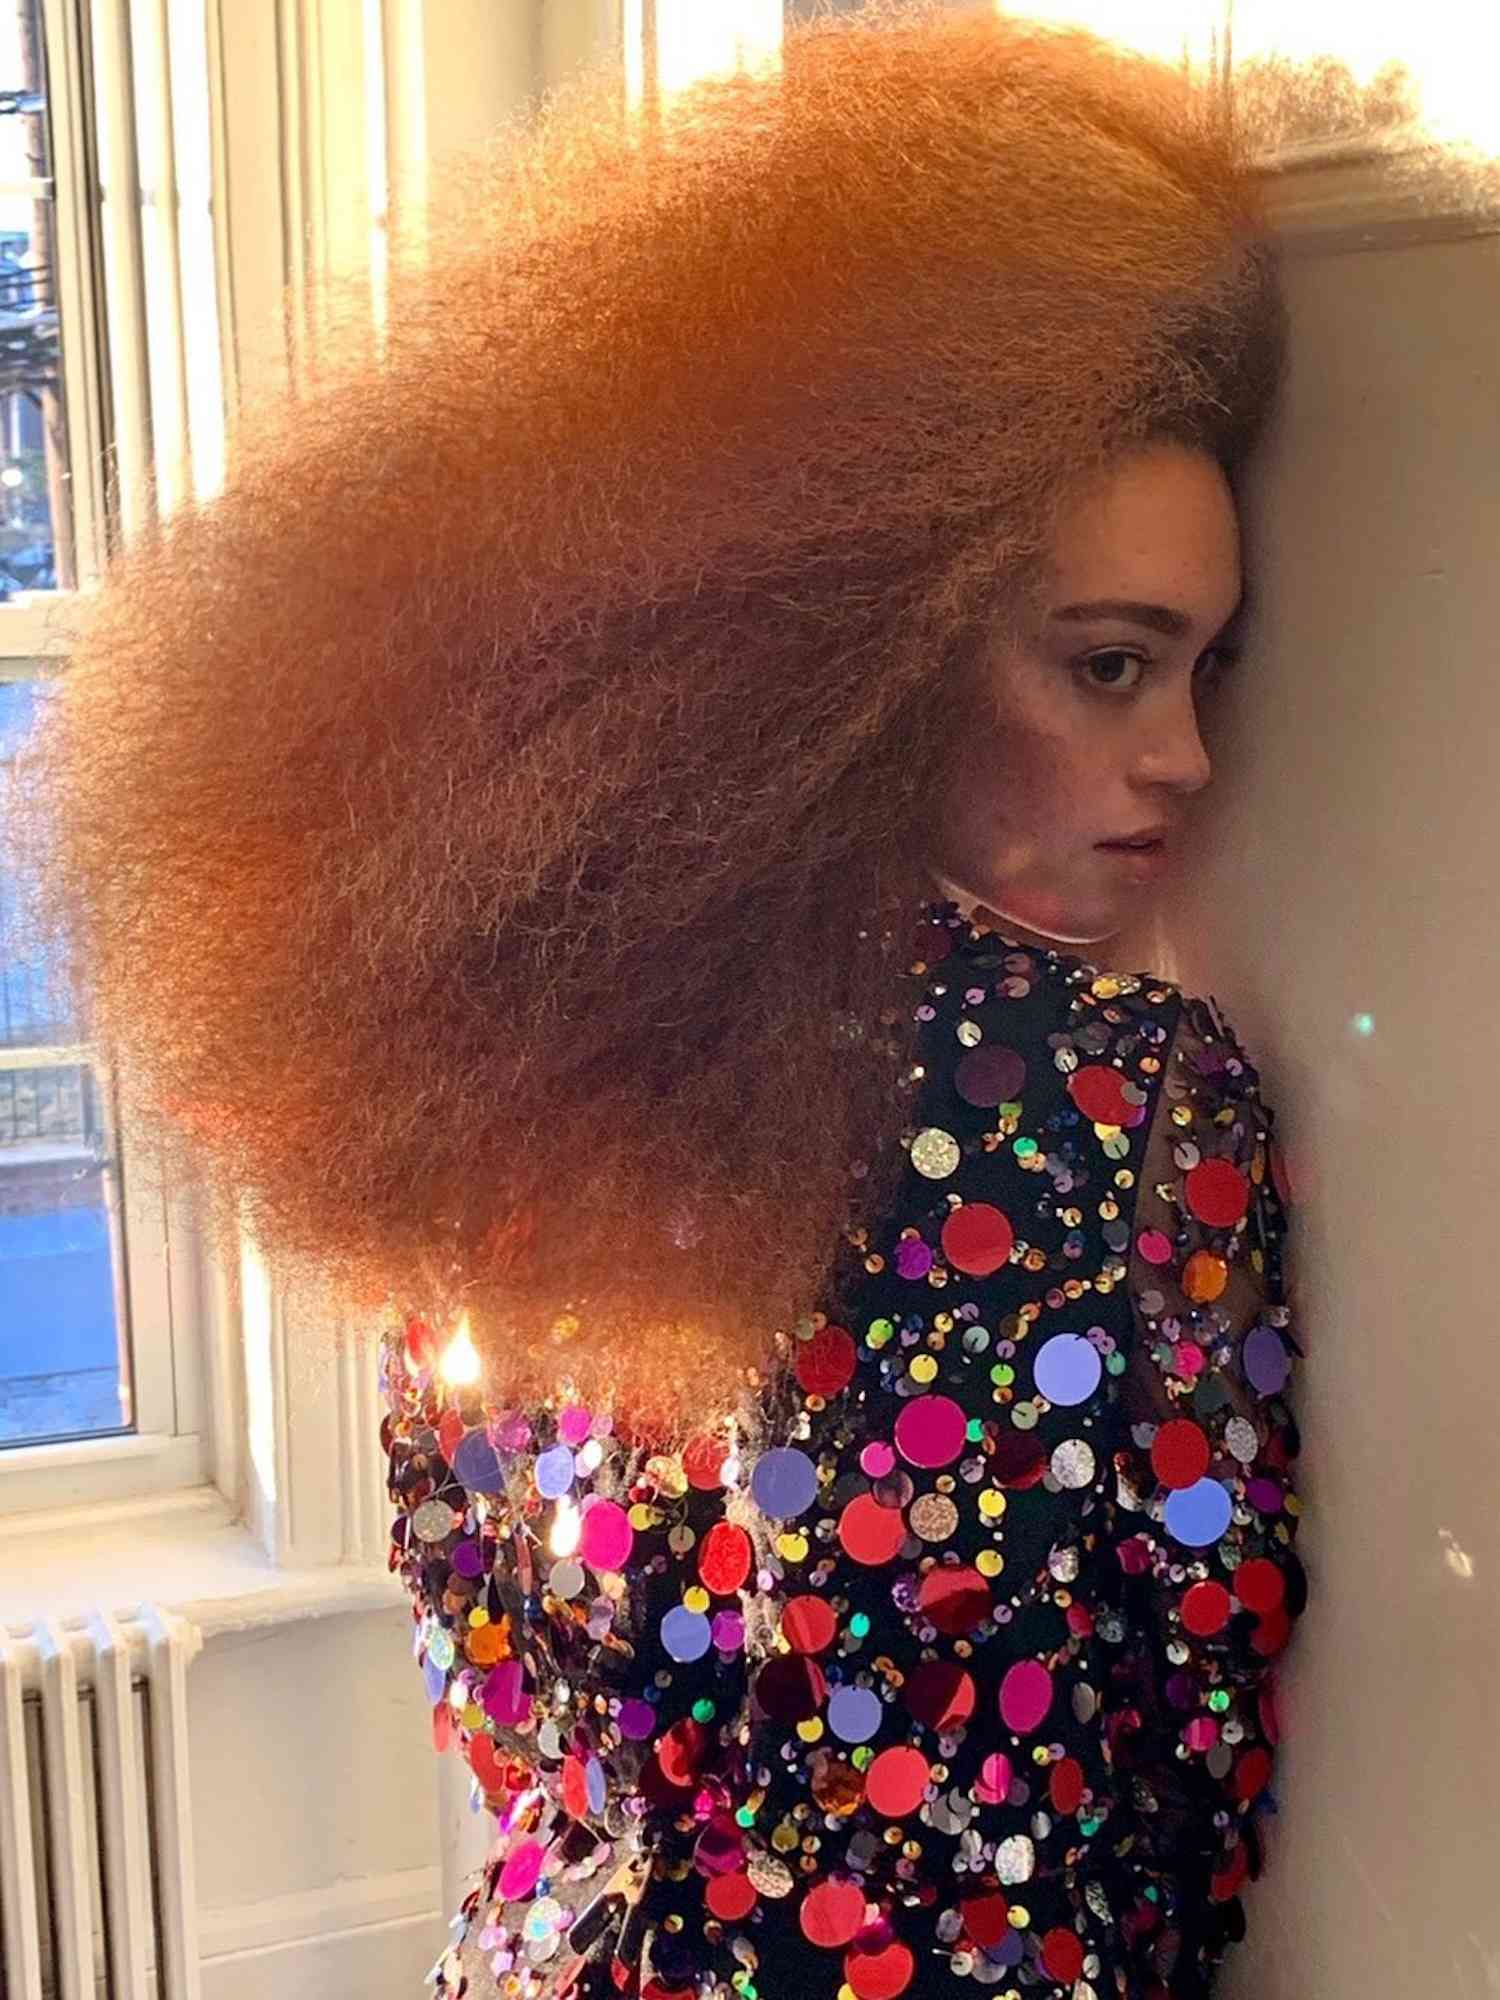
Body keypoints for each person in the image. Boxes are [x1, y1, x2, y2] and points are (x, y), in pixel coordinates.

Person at [8, 3, 1329, 1993]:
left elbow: (472, 1617)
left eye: (1210, 670)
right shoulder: (1141, 1103)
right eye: (1112, 663)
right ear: (875, 641)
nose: (1184, 766)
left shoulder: (511, 1030)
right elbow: (1199, 1706)